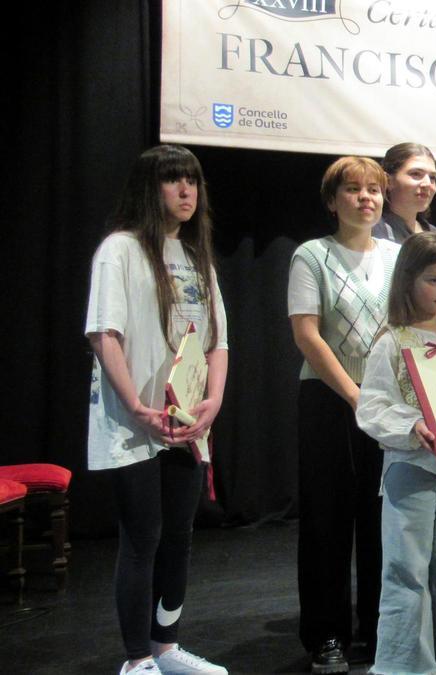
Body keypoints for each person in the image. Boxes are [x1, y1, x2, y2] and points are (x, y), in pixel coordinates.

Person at [86, 144, 229, 675]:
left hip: (189, 424)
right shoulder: (120, 250)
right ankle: (137, 659)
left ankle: (167, 647)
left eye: (192, 180)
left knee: (178, 537)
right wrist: (137, 407)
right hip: (135, 426)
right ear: (151, 188)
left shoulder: (197, 257)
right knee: (142, 537)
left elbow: (219, 341)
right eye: (173, 180)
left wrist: (212, 400)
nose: (186, 190)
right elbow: (105, 333)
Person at [354, 232, 436, 674]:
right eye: (433, 280)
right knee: (406, 572)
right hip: (411, 468)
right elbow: (371, 404)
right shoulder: (394, 339)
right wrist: (410, 425)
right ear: (408, 280)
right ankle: (405, 666)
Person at [288, 157, 399, 673]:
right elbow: (307, 335)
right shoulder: (312, 255)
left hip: (389, 405)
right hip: (330, 403)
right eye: (353, 190)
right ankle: (326, 636)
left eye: (374, 189)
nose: (365, 198)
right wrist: (356, 395)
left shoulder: (401, 256)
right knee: (326, 525)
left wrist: (380, 398)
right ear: (333, 201)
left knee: (384, 523)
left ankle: (380, 630)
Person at [374, 143, 436, 243]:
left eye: (432, 177)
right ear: (387, 181)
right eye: (416, 174)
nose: (427, 184)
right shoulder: (370, 232)